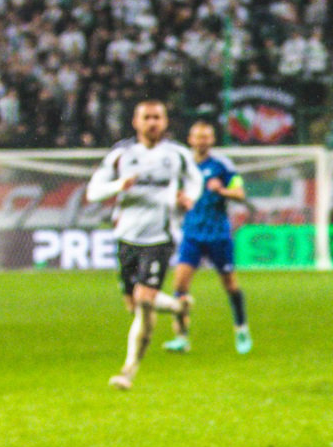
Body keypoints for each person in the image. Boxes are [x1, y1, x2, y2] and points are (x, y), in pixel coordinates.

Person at [85, 101, 201, 390]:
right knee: (133, 304)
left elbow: (195, 180)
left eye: (157, 117)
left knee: (145, 300)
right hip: (127, 236)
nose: (152, 122)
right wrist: (118, 186)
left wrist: (189, 198)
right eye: (146, 117)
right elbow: (93, 191)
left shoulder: (177, 154)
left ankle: (128, 370)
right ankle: (177, 307)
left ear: (165, 121)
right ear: (135, 122)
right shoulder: (121, 155)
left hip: (160, 237)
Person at [163, 121, 252, 355]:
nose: (202, 141)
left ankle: (241, 328)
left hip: (218, 234)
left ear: (212, 140)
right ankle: (181, 337)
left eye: (206, 137)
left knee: (230, 285)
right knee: (180, 285)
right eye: (197, 137)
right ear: (190, 140)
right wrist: (178, 199)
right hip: (192, 233)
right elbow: (172, 196)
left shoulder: (222, 165)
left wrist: (222, 190)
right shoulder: (183, 166)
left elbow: (241, 194)